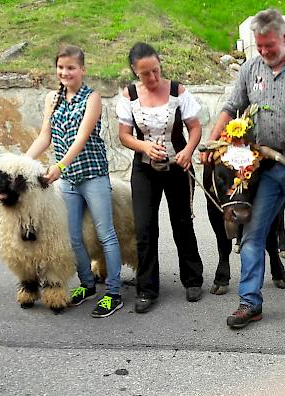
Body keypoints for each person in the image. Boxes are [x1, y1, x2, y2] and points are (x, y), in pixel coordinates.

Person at [203, 8, 285, 330]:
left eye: (269, 46)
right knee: (252, 234)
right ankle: (250, 302)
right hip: (263, 166)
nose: (264, 52)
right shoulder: (250, 69)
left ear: (284, 38)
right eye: (259, 47)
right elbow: (231, 106)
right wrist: (212, 140)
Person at [25, 45, 124, 318]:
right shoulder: (52, 99)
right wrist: (22, 163)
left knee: (106, 235)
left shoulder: (92, 98)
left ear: (82, 69)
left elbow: (82, 137)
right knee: (72, 237)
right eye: (61, 68)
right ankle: (87, 285)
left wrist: (59, 165)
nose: (65, 72)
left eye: (71, 68)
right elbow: (45, 136)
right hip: (67, 180)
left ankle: (114, 293)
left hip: (92, 175)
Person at [116, 42, 204, 313]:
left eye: (155, 71)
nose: (152, 78)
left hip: (177, 165)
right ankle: (147, 289)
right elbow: (124, 135)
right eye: (145, 74)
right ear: (134, 71)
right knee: (144, 228)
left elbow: (195, 128)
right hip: (144, 169)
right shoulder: (129, 95)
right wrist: (143, 146)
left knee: (182, 223)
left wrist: (188, 151)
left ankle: (192, 279)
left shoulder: (178, 91)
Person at [204, 166, 285, 295]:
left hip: (255, 152)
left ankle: (274, 256)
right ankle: (223, 262)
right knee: (215, 200)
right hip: (221, 148)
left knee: (269, 199)